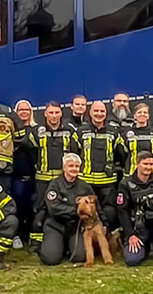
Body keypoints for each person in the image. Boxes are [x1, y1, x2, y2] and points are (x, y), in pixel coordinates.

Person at [29, 101, 79, 253]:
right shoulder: (37, 131)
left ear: (61, 113)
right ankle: (36, 243)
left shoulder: (69, 131)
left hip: (61, 180)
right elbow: (31, 151)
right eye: (51, 113)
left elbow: (75, 152)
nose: (54, 116)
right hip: (42, 178)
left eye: (57, 112)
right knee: (40, 210)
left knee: (60, 208)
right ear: (45, 114)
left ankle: (61, 241)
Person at [116, 151, 153, 266]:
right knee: (132, 260)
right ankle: (144, 247)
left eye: (151, 164)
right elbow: (122, 211)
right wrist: (130, 235)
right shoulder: (125, 184)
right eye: (145, 164)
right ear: (137, 164)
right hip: (138, 228)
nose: (149, 167)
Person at [39, 153, 95, 266]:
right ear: (64, 167)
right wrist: (77, 211)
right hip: (56, 226)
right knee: (51, 260)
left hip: (75, 228)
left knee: (79, 257)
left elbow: (94, 207)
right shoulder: (54, 185)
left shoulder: (85, 186)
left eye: (76, 166)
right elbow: (54, 208)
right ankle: (53, 246)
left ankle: (66, 247)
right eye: (71, 166)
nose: (74, 169)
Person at [75, 100, 120, 229]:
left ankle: (106, 234)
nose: (99, 114)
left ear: (106, 114)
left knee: (109, 211)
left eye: (102, 111)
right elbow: (74, 153)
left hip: (107, 181)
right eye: (96, 111)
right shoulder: (80, 132)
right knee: (85, 210)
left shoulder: (113, 132)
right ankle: (86, 237)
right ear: (90, 112)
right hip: (85, 181)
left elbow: (120, 154)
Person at [11, 100, 37, 247]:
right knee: (18, 206)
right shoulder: (12, 130)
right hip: (17, 176)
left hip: (34, 176)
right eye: (20, 110)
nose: (24, 112)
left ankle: (29, 235)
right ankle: (17, 234)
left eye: (26, 109)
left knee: (32, 207)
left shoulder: (37, 129)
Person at [115, 103, 153, 175]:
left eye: (145, 112)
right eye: (139, 112)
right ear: (134, 116)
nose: (142, 114)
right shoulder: (126, 134)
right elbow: (122, 155)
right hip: (132, 173)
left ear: (148, 116)